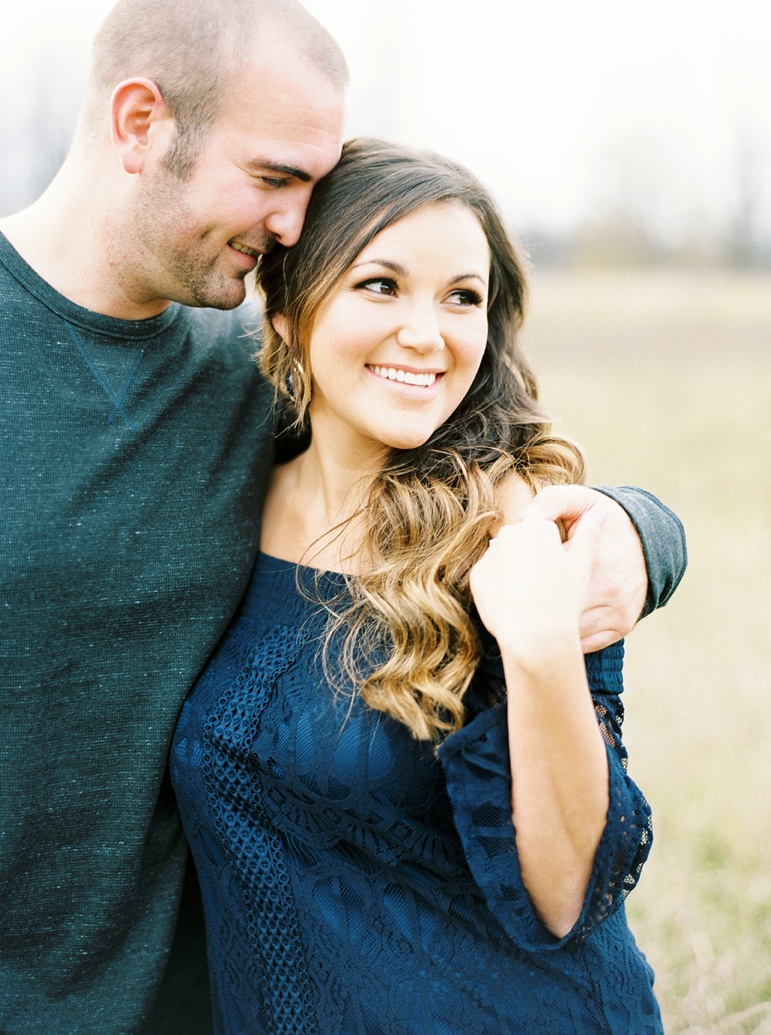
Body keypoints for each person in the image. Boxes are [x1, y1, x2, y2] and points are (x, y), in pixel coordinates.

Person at [0, 1, 683, 1032]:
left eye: (463, 297)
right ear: (140, 122)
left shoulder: (272, 398)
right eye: (274, 178)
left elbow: (567, 891)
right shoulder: (245, 409)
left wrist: (637, 534)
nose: (287, 225)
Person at [170, 137, 667, 1034]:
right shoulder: (224, 493)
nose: (426, 334)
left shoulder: (510, 530)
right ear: (286, 309)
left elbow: (564, 896)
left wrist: (544, 645)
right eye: (380, 284)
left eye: (461, 298)